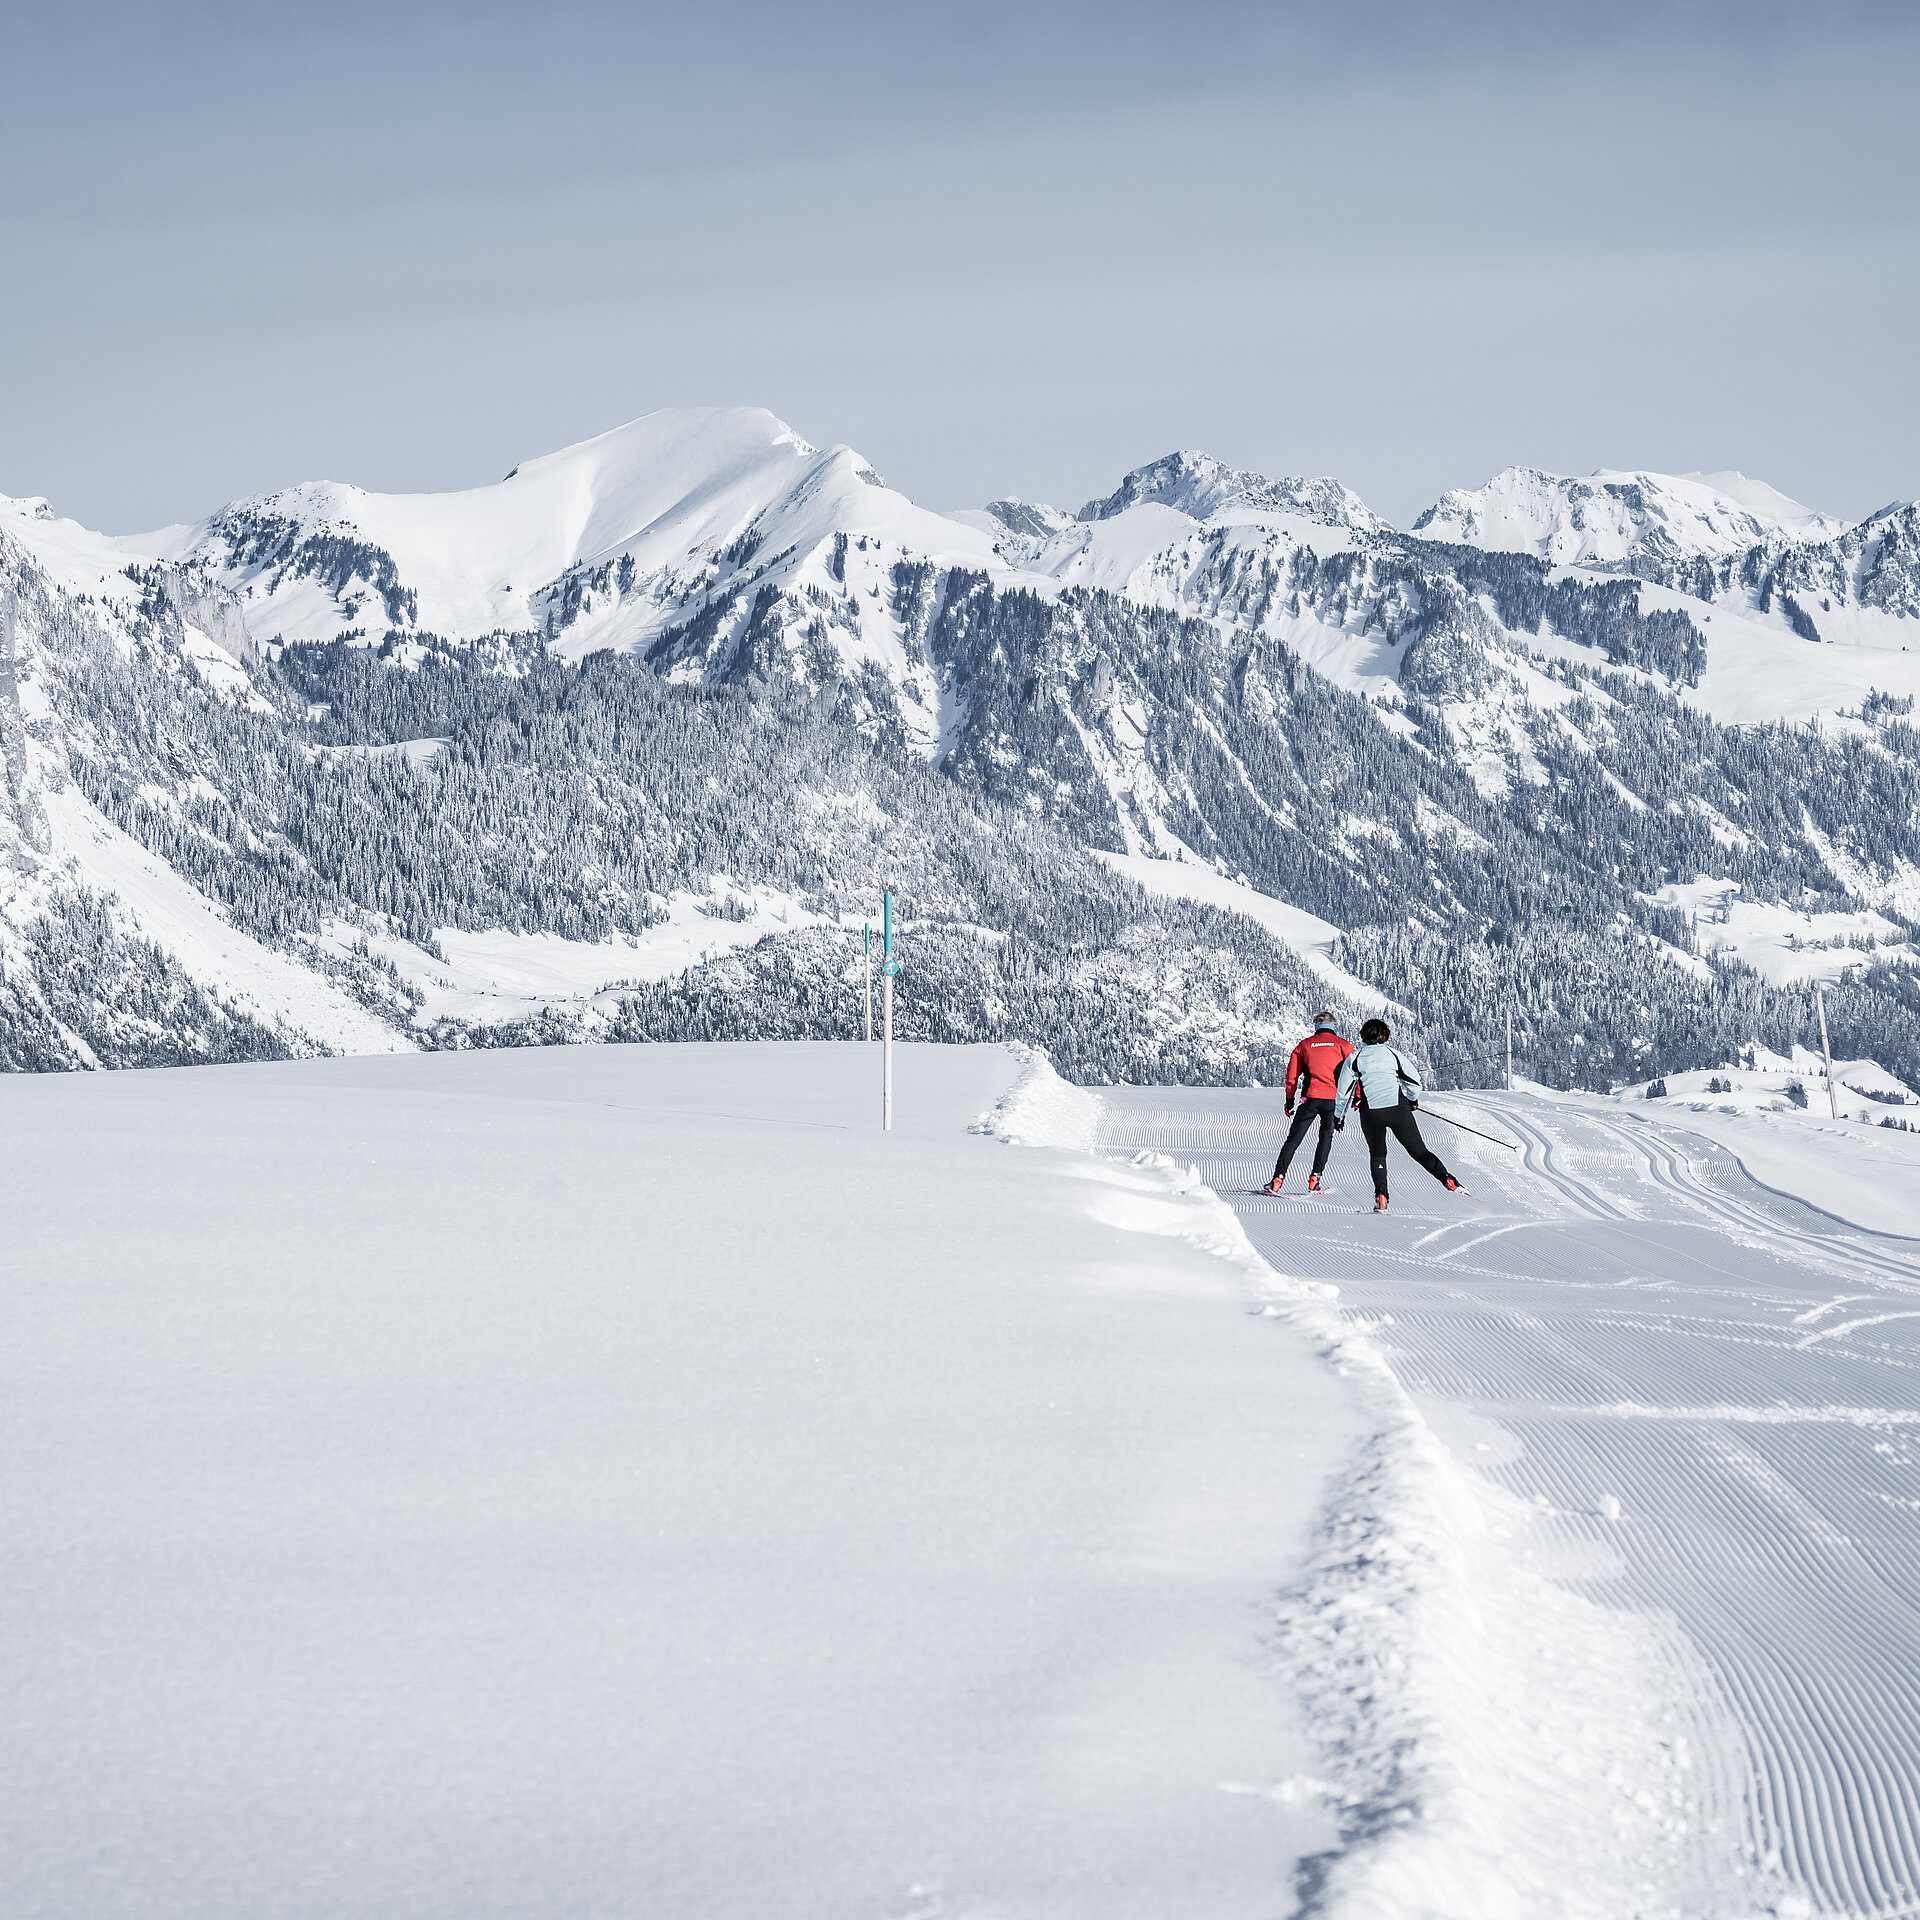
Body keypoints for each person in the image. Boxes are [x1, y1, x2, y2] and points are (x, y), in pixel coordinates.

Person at [1333, 1017, 1464, 1213]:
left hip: (1371, 1112)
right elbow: (1414, 1081)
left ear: (1363, 1036)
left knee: (1378, 1154)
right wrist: (1412, 1100)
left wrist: (1338, 1116)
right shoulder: (1394, 1055)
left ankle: (1382, 1196)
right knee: (1419, 1152)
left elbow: (1343, 1091)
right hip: (1397, 1109)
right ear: (1384, 1035)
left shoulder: (1355, 1058)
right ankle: (1447, 1179)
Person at [1264, 1012, 1355, 1194]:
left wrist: (1289, 1101)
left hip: (1310, 1099)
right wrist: (1356, 1099)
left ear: (1316, 1025)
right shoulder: (1345, 1046)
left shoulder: (1304, 1045)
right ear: (1333, 1026)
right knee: (1325, 1138)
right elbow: (1355, 1074)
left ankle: (1277, 1179)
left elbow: (1292, 1076)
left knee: (1294, 1140)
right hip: (1333, 1101)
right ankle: (1315, 1177)